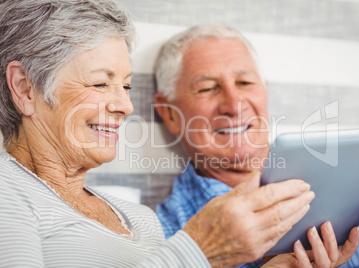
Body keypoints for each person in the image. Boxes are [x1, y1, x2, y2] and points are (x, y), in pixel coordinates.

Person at [0, 1, 319, 267]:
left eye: (126, 86)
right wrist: (199, 250)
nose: (125, 106)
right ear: (25, 88)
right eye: (100, 83)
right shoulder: (7, 190)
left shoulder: (139, 219)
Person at [153, 24, 359, 267]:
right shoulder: (164, 239)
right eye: (207, 88)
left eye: (245, 83)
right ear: (170, 113)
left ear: (265, 91)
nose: (234, 104)